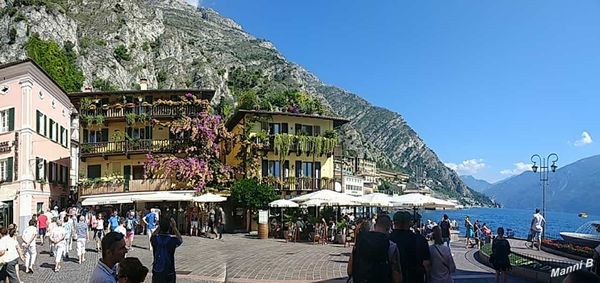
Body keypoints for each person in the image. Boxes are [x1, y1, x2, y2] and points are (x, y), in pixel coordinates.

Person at [347, 214, 402, 283]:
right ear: (389, 228)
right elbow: (397, 277)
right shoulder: (391, 246)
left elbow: (349, 271)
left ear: (375, 226)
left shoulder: (361, 241)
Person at [390, 211, 431, 283]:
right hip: (414, 277)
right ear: (409, 223)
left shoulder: (388, 239)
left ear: (394, 222)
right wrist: (428, 279)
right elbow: (426, 264)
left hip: (393, 278)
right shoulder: (420, 239)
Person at [151, 217, 183, 283]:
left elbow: (152, 236)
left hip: (157, 270)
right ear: (169, 228)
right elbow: (180, 240)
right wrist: (174, 227)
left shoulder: (155, 240)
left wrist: (160, 226)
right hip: (169, 270)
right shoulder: (172, 240)